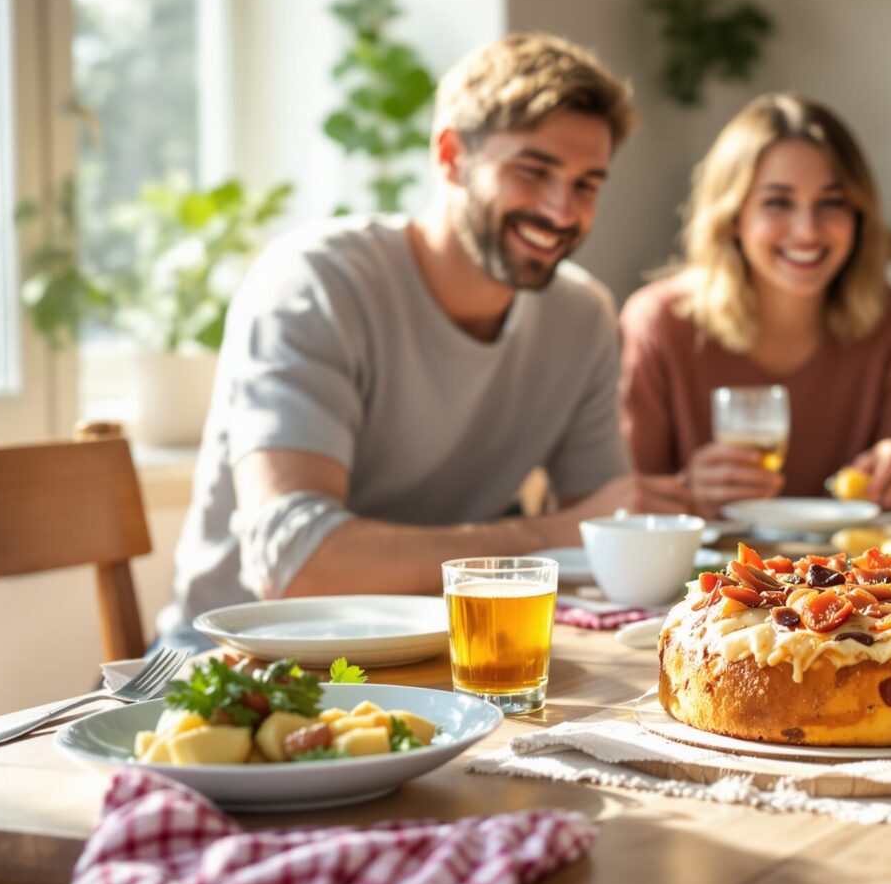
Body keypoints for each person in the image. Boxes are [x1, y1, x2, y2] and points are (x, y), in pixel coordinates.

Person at [158, 32, 694, 646]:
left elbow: (603, 534)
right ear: (449, 157)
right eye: (532, 170)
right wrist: (554, 533)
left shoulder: (581, 315)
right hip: (238, 669)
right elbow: (297, 567)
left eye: (586, 184)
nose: (561, 211)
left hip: (447, 663)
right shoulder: (316, 283)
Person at [620, 93, 891, 517]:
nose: (807, 231)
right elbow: (620, 509)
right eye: (777, 202)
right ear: (732, 216)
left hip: (853, 578)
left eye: (831, 202)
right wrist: (684, 492)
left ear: (859, 214)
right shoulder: (658, 324)